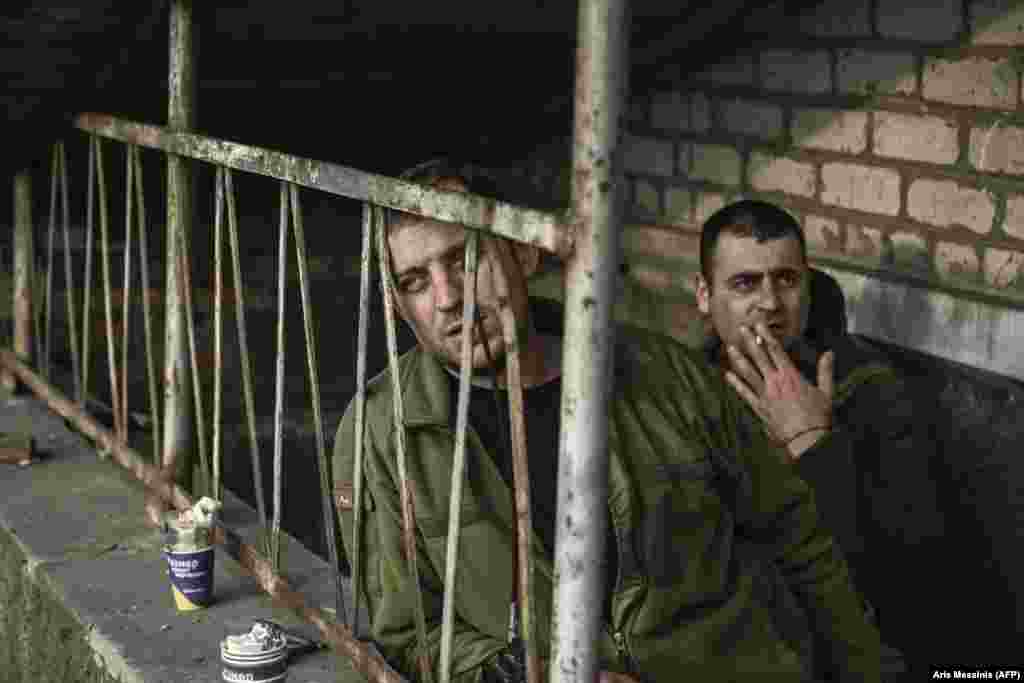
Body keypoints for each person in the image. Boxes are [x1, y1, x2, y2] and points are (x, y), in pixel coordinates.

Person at [332, 161, 880, 683]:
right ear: (397, 305)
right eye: (415, 282)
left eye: (464, 258)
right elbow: (410, 630)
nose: (449, 298)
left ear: (524, 253)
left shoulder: (665, 373)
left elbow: (799, 541)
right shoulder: (383, 430)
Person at [690, 199, 946, 676]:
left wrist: (814, 447)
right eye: (745, 283)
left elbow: (910, 563)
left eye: (786, 280)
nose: (770, 302)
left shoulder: (868, 388)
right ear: (704, 295)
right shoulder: (683, 385)